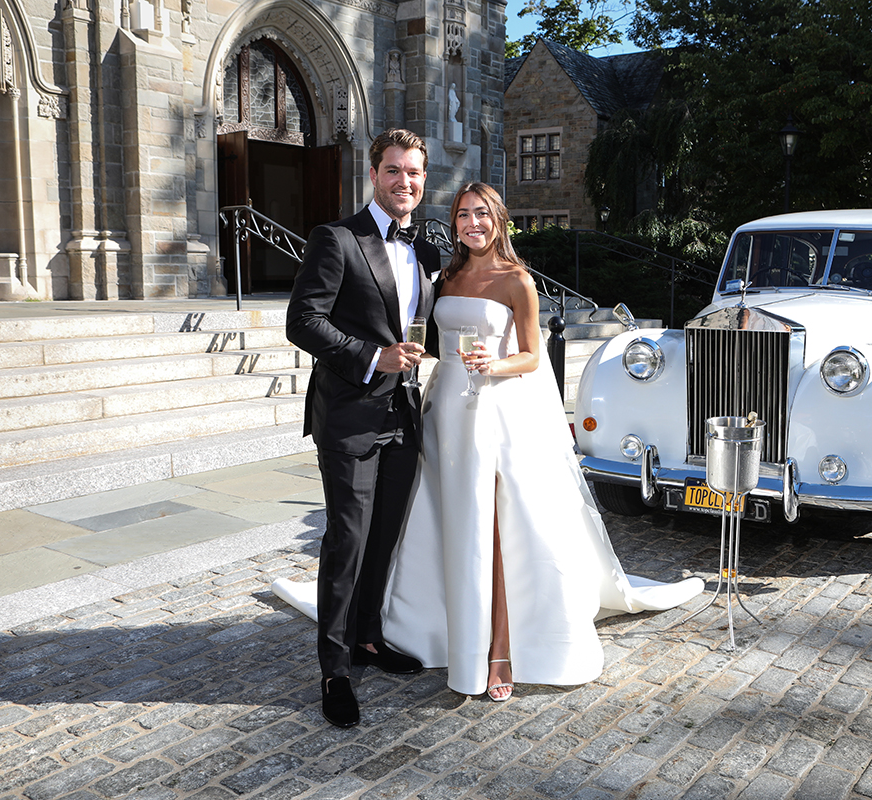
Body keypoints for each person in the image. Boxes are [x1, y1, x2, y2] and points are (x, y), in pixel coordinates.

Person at [379, 183, 704, 701]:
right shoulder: (446, 276)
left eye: (481, 214)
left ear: (499, 219)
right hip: (446, 414)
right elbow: (437, 339)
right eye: (463, 215)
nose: (471, 224)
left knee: (500, 533)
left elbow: (531, 356)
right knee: (452, 526)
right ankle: (439, 631)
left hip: (494, 413)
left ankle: (501, 649)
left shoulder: (518, 281)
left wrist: (495, 363)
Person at [284, 128, 440, 728]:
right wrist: (374, 357)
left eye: (416, 174)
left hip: (404, 416)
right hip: (349, 417)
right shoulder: (337, 238)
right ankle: (334, 668)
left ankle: (369, 638)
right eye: (395, 170)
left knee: (385, 536)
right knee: (347, 540)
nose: (406, 182)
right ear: (374, 174)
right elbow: (303, 322)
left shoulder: (426, 252)